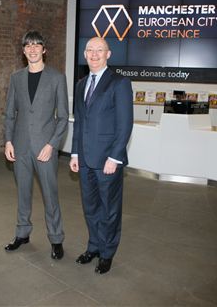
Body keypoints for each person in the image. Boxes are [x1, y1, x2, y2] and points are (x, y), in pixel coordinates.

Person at [69, 37, 133, 274]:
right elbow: (79, 124)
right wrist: (75, 153)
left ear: (108, 54)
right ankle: (94, 246)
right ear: (84, 54)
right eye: (90, 50)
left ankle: (107, 253)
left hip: (107, 161)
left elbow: (124, 124)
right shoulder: (81, 84)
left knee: (110, 209)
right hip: (85, 160)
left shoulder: (119, 83)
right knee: (91, 207)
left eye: (99, 50)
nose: (94, 54)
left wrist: (115, 158)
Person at [4, 30, 69, 259]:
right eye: (28, 45)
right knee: (23, 193)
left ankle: (56, 238)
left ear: (44, 49)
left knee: (50, 194)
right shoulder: (16, 78)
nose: (32, 49)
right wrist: (8, 141)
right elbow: (10, 113)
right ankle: (22, 233)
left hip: (45, 148)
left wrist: (52, 145)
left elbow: (63, 117)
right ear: (23, 51)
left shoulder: (56, 78)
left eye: (37, 44)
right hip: (20, 146)